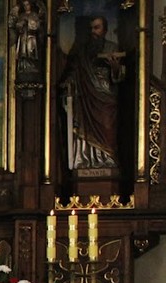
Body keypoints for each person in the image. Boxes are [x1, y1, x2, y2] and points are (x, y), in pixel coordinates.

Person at [60, 15, 124, 170]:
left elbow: (121, 76)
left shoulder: (112, 47)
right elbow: (73, 72)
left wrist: (115, 69)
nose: (93, 31)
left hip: (105, 96)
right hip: (85, 97)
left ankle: (107, 159)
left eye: (97, 27)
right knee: (84, 128)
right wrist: (68, 84)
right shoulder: (81, 51)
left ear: (105, 30)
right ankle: (85, 159)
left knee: (108, 128)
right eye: (91, 28)